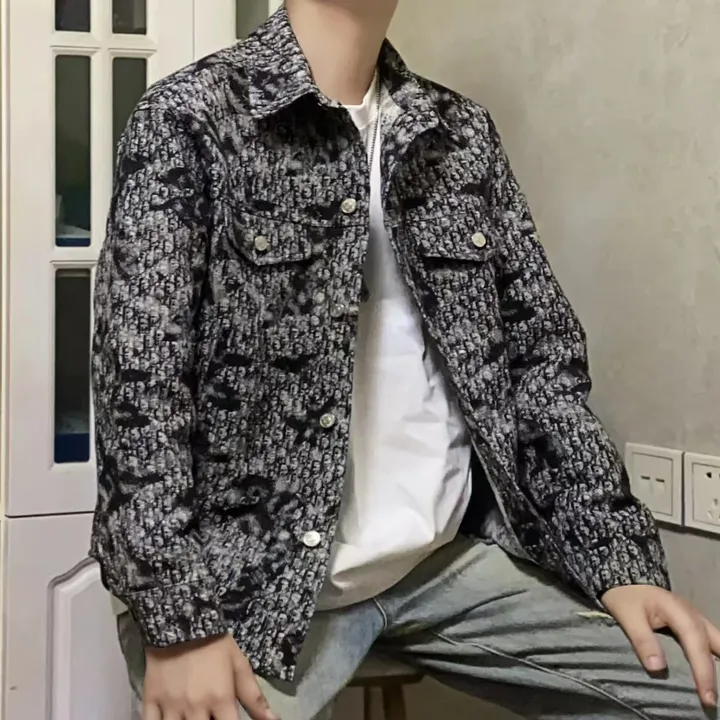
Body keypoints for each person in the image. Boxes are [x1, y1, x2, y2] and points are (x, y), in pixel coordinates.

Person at [91, 2, 720, 719]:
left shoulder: (458, 133)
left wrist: (617, 562)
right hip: (246, 586)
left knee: (697, 693)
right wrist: (180, 622)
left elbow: (539, 365)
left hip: (438, 562)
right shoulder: (191, 115)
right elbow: (138, 386)